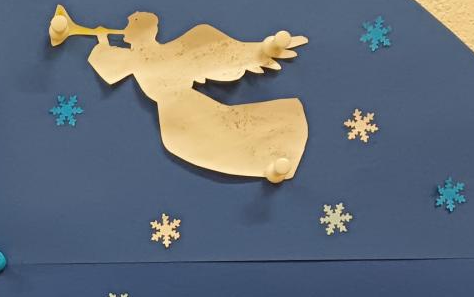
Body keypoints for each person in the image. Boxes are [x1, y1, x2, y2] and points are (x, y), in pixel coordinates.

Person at [85, 12, 309, 179]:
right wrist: (102, 39)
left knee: (230, 139)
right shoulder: (132, 58)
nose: (125, 29)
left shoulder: (172, 50)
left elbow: (221, 51)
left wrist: (263, 50)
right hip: (176, 118)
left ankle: (276, 157)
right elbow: (108, 67)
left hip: (189, 110)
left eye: (130, 25)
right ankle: (273, 161)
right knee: (226, 143)